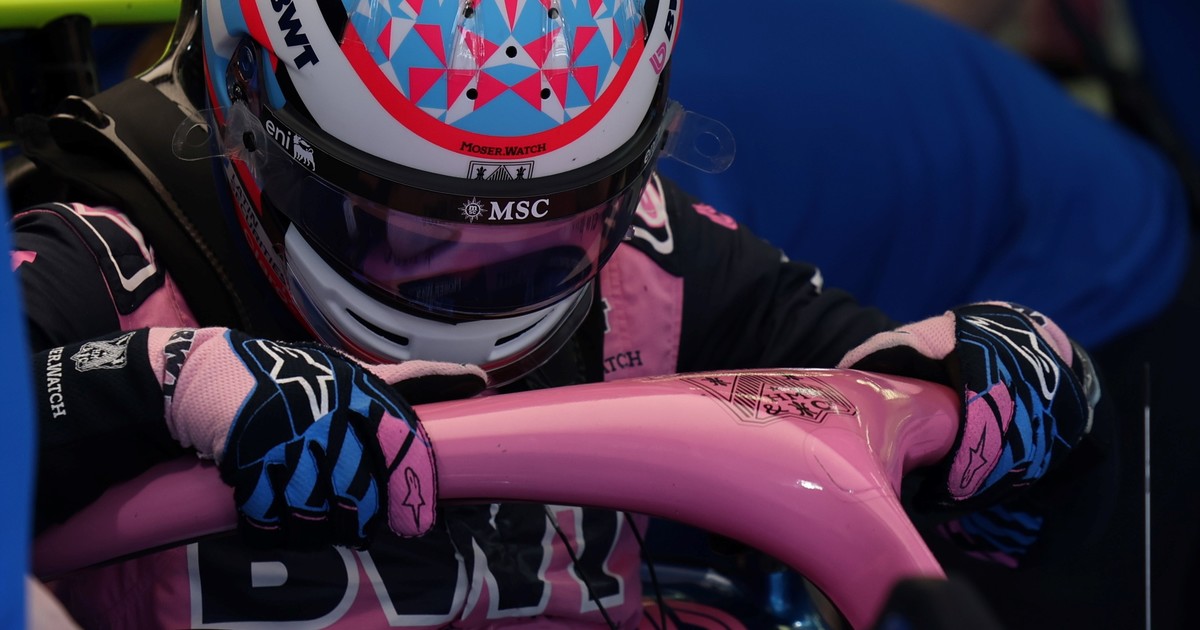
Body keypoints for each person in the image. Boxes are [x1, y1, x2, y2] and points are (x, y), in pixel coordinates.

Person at [12, 0, 1101, 626]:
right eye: (402, 222)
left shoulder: (654, 257)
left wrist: (982, 387)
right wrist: (155, 385)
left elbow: (856, 382)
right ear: (253, 120)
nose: (472, 280)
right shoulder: (106, 252)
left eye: (550, 227)